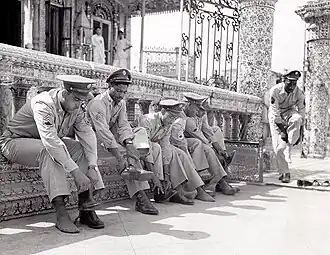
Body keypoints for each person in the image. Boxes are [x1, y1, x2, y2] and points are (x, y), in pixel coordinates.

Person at [0, 75, 105, 234]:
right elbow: (51, 142)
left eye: (81, 102)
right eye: (76, 100)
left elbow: (87, 135)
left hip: (44, 142)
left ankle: (86, 208)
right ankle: (61, 214)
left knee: (79, 148)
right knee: (49, 152)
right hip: (14, 142)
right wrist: (76, 172)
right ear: (65, 92)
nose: (78, 105)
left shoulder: (76, 106)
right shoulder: (44, 103)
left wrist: (92, 166)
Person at [87, 68, 164, 215]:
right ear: (109, 86)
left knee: (140, 132)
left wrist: (129, 143)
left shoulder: (120, 103)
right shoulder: (98, 103)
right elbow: (103, 132)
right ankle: (141, 197)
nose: (121, 95)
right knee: (128, 160)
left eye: (124, 92)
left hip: (110, 137)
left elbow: (123, 125)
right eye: (118, 91)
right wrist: (119, 156)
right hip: (94, 138)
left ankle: (138, 158)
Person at [136, 99, 215, 204]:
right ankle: (168, 191)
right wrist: (154, 177)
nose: (172, 121)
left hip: (154, 145)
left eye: (174, 118)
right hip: (139, 144)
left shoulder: (167, 123)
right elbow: (146, 148)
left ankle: (180, 189)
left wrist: (167, 175)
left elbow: (166, 146)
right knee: (160, 149)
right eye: (171, 117)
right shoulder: (147, 120)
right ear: (163, 111)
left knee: (178, 153)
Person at [183, 92, 237, 196]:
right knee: (205, 148)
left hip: (198, 140)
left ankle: (223, 157)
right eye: (196, 107)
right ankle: (219, 181)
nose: (198, 111)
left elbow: (207, 130)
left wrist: (220, 149)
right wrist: (212, 146)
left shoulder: (200, 113)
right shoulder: (184, 116)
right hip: (185, 141)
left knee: (216, 129)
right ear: (189, 105)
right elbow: (198, 135)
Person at [268, 70, 305, 183]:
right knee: (278, 149)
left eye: (295, 83)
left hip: (290, 112)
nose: (292, 86)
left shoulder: (299, 92)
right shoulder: (275, 91)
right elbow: (275, 113)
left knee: (297, 118)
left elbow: (302, 112)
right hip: (276, 117)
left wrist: (300, 132)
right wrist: (283, 132)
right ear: (284, 80)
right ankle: (285, 172)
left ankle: (289, 143)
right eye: (290, 83)